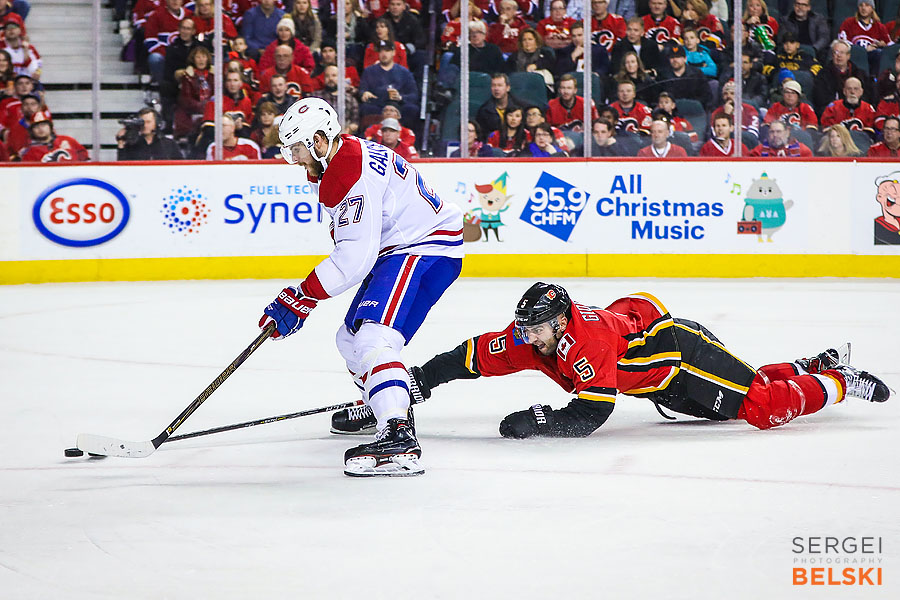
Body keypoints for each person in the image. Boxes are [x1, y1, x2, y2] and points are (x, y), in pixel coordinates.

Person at [329, 283, 892, 441]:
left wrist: (541, 421)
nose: (527, 338)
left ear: (561, 322)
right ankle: (812, 362)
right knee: (744, 395)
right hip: (659, 383)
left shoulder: (587, 343)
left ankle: (836, 381)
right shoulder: (532, 336)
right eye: (524, 328)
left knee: (761, 408)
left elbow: (593, 411)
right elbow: (469, 357)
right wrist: (414, 385)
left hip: (681, 356)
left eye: (536, 329)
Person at [260, 97, 463, 477]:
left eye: (298, 149)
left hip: (422, 247)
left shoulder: (349, 173)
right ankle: (384, 402)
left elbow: (354, 257)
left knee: (374, 338)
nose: (295, 159)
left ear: (319, 140)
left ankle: (398, 434)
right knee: (349, 338)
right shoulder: (342, 156)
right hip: (403, 248)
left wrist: (302, 297)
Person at [359, 39, 419, 126]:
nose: (384, 54)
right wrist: (364, 93)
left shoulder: (404, 72)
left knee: (412, 109)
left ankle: (403, 132)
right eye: (381, 51)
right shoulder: (369, 71)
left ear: (393, 52)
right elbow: (362, 90)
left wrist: (400, 97)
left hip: (399, 105)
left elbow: (414, 95)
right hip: (378, 105)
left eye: (387, 51)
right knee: (365, 108)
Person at [813, 40, 872, 116]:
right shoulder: (823, 74)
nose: (839, 56)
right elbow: (821, 99)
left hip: (858, 111)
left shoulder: (860, 74)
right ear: (832, 55)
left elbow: (867, 96)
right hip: (834, 112)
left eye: (842, 53)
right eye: (836, 52)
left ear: (848, 56)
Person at [143, 0, 192, 86]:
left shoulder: (190, 15)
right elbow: (150, 41)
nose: (175, 1)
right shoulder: (156, 15)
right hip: (165, 55)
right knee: (155, 58)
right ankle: (163, 86)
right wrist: (170, 54)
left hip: (186, 54)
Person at [838, 0, 890, 76]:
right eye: (861, 5)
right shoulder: (848, 23)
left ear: (872, 8)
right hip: (854, 57)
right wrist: (863, 50)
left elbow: (890, 46)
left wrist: (882, 44)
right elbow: (843, 43)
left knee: (878, 53)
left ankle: (874, 78)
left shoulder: (880, 27)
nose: (863, 8)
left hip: (872, 58)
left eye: (867, 5)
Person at [173, 45, 213, 137]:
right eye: (198, 57)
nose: (201, 60)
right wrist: (202, 106)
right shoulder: (187, 76)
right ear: (193, 59)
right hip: (192, 109)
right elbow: (185, 99)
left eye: (203, 57)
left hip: (210, 109)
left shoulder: (214, 76)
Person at [117, 106, 184, 160]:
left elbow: (181, 166)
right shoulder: (132, 144)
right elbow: (122, 167)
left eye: (148, 122)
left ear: (157, 123)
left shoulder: (169, 144)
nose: (145, 125)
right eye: (142, 122)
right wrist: (121, 144)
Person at [19, 112, 89, 162]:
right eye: (36, 126)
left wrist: (71, 152)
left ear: (50, 127)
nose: (40, 129)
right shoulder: (30, 152)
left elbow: (84, 156)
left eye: (43, 125)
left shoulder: (67, 140)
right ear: (32, 131)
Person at [311, 64, 360, 133]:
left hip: (343, 135)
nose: (330, 78)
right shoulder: (315, 97)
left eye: (334, 75)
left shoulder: (351, 99)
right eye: (327, 76)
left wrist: (348, 129)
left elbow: (355, 123)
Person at [660, 44, 712, 108]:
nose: (675, 60)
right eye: (672, 57)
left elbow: (706, 96)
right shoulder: (663, 76)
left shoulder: (697, 74)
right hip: (670, 110)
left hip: (694, 109)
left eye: (678, 57)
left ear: (685, 59)